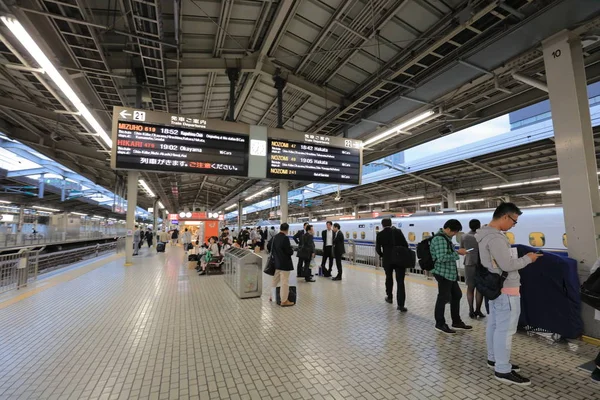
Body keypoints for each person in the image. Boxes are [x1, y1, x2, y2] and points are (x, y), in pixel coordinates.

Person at [476, 203, 542, 386]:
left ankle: (493, 359)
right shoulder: (496, 238)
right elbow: (507, 265)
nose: (514, 224)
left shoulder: (482, 234)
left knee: (495, 325)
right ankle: (502, 370)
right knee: (505, 331)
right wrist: (529, 258)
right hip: (506, 289)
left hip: (495, 288)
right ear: (505, 217)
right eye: (514, 220)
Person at [430, 219, 472, 334]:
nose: (454, 234)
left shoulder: (446, 238)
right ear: (447, 229)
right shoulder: (440, 239)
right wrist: (458, 253)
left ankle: (456, 321)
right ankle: (440, 323)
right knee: (442, 298)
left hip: (449, 273)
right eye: (454, 232)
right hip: (443, 273)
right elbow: (442, 257)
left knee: (456, 295)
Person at [376, 218, 409, 312]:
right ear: (391, 224)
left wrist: (383, 255)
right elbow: (405, 245)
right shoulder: (398, 232)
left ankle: (389, 297)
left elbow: (378, 249)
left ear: (382, 225)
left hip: (387, 260)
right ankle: (401, 305)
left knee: (388, 278)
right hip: (399, 260)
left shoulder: (380, 234)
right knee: (400, 282)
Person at [460, 219, 484, 319]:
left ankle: (471, 311)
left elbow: (462, 249)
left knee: (470, 288)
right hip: (481, 264)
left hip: (469, 263)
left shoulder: (464, 236)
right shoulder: (482, 236)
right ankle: (478, 310)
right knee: (480, 288)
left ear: (469, 226)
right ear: (479, 226)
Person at [269, 223, 295, 306]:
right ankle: (284, 301)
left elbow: (268, 246)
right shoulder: (285, 238)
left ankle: (272, 297)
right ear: (287, 229)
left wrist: (275, 253)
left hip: (276, 263)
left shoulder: (274, 237)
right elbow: (289, 251)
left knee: (275, 281)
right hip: (284, 264)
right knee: (284, 282)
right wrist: (292, 250)